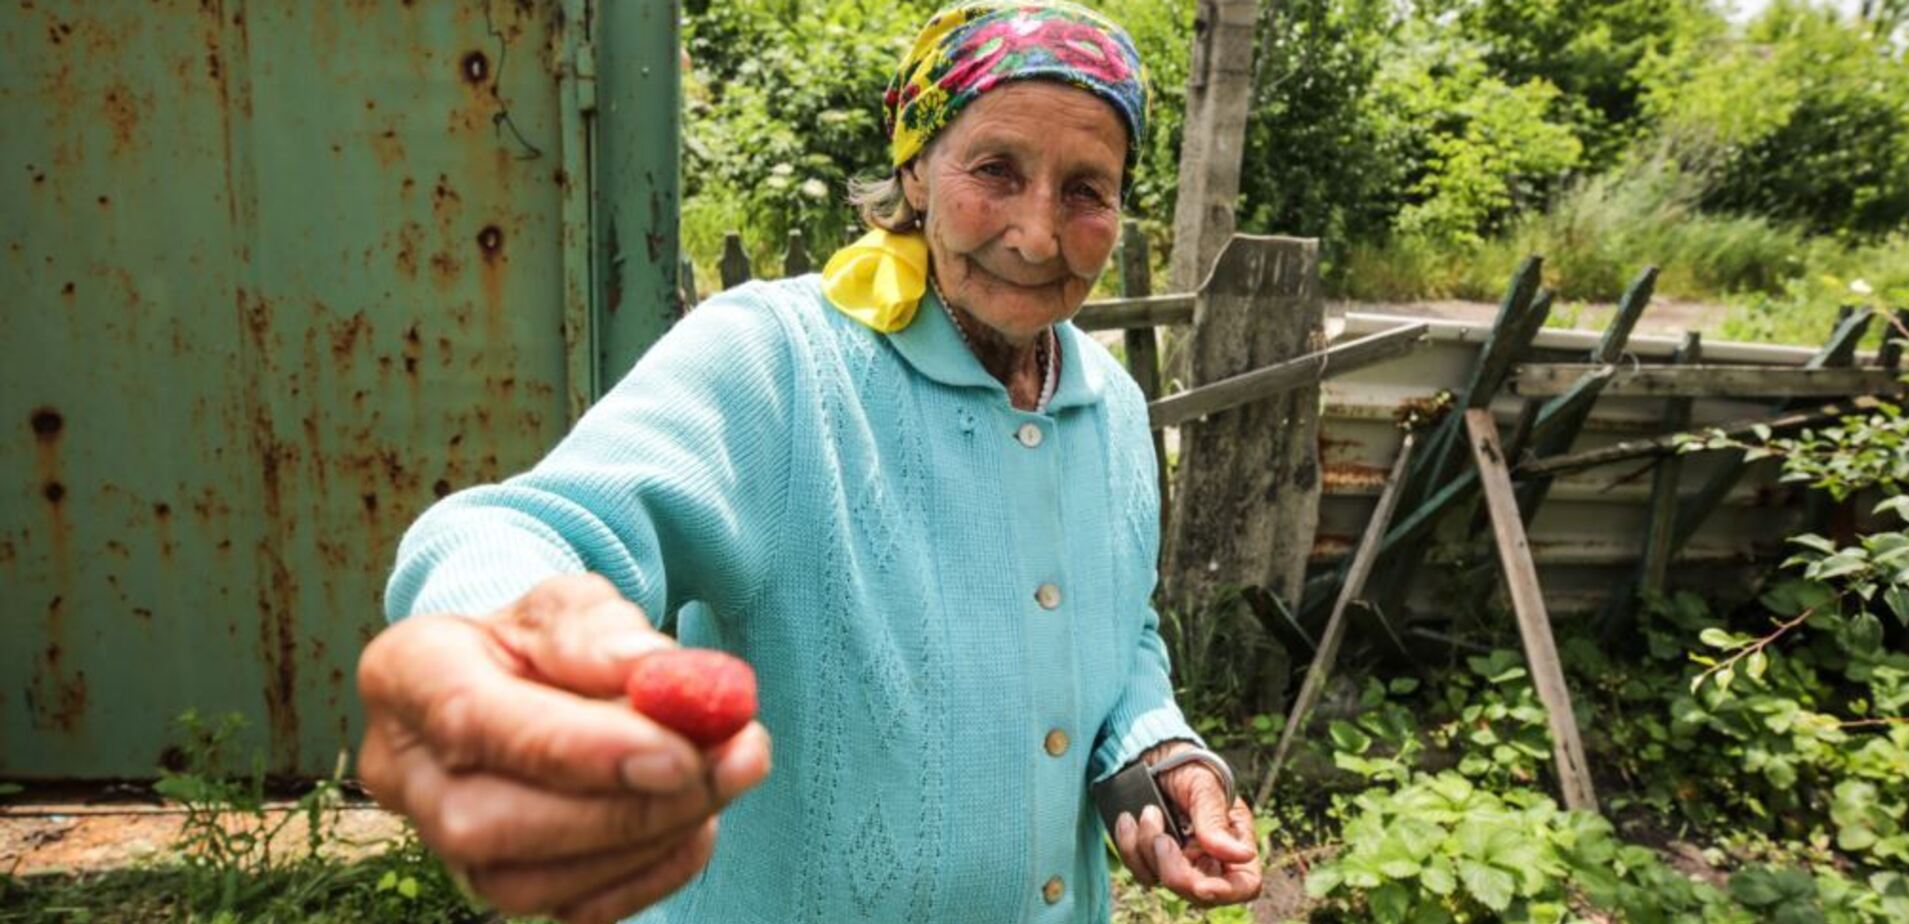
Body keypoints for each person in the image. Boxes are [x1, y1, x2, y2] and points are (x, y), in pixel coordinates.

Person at [355, 2, 1265, 921]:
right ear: (915, 170)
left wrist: (1158, 753)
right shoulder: (781, 361)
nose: (1037, 232)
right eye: (995, 169)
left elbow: (1119, 633)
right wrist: (499, 642)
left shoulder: (1107, 407)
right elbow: (532, 530)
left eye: (1086, 190)